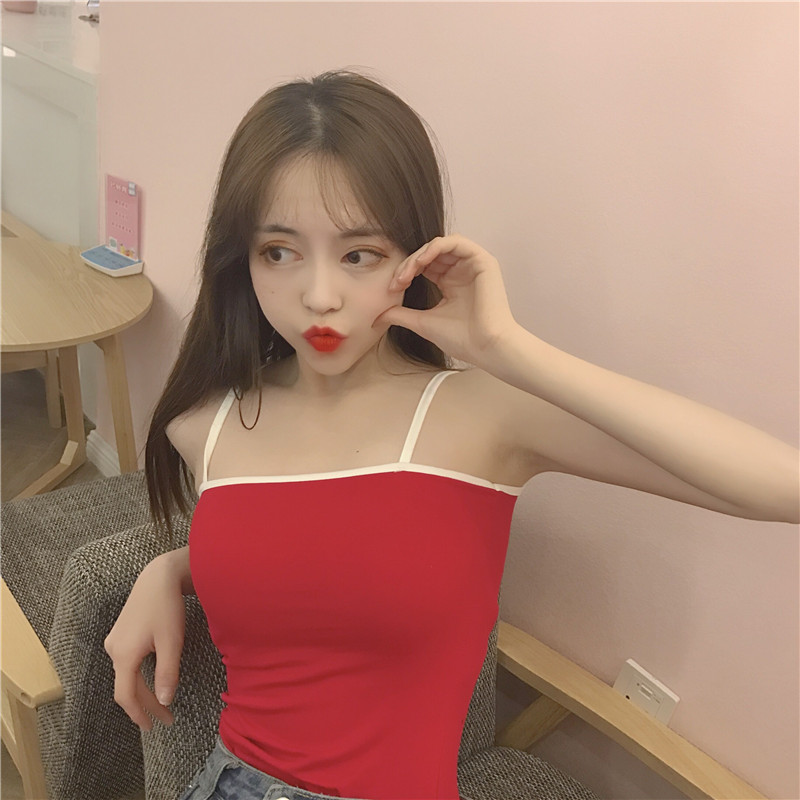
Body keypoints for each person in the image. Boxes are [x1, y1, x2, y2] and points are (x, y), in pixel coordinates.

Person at [104, 70, 799, 800]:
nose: (319, 295)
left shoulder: (483, 418)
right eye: (279, 251)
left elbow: (779, 485)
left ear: (415, 256)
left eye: (360, 254)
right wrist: (175, 568)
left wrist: (509, 350)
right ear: (240, 260)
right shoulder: (206, 424)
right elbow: (306, 551)